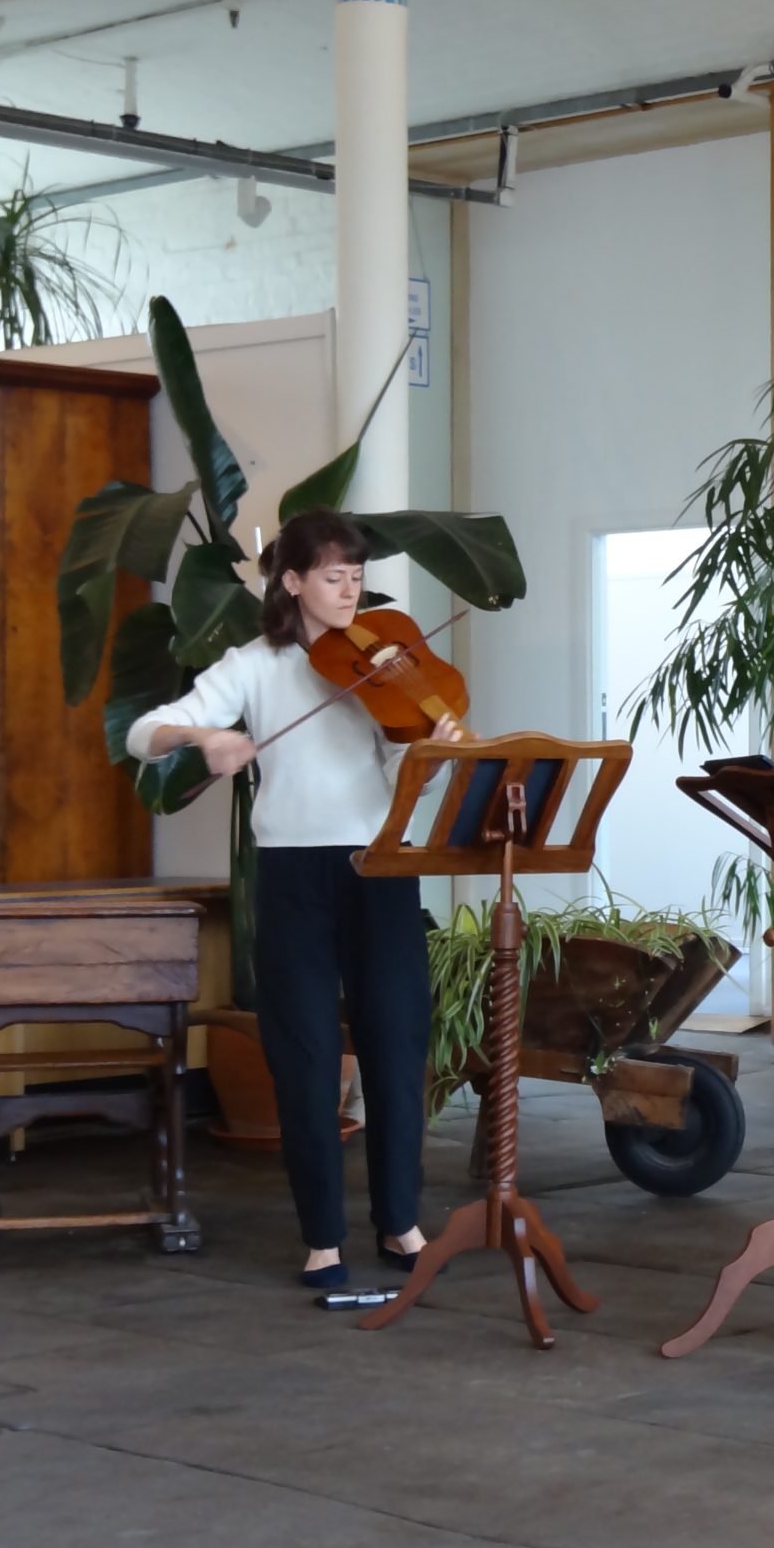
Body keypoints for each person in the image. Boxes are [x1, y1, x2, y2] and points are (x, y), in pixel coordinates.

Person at [130, 510, 461, 1290]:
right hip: (291, 875)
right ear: (292, 581)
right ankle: (322, 1238)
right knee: (305, 1054)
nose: (349, 590)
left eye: (357, 576)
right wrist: (204, 740)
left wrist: (432, 753)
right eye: (333, 576)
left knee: (395, 1043)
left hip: (380, 866)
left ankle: (400, 1221)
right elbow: (147, 731)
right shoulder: (254, 666)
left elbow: (401, 774)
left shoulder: (382, 659)